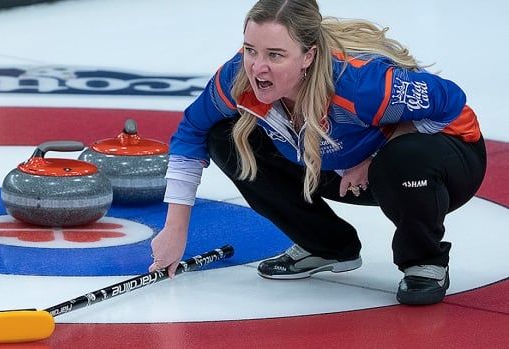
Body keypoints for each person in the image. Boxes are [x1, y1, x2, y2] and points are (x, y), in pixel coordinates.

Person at [148, 0, 486, 306]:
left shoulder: (362, 85)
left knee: (402, 160)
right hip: (338, 165)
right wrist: (175, 229)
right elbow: (191, 131)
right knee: (224, 136)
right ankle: (324, 246)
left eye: (275, 55)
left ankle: (424, 260)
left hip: (446, 161)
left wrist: (378, 155)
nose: (257, 68)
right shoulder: (237, 78)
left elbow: (452, 104)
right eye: (250, 50)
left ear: (308, 56)